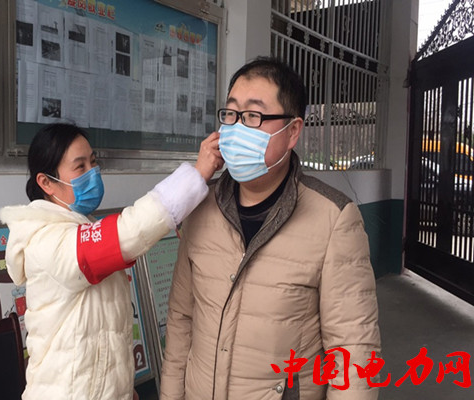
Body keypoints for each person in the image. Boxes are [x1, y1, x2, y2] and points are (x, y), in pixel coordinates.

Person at [160, 57, 381, 400]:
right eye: (231, 114)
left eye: (253, 116)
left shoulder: (334, 219)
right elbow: (181, 320)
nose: (237, 128)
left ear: (292, 131)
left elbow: (353, 350)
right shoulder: (200, 208)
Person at [0, 122, 223, 400]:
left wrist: (121, 388)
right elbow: (130, 232)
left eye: (93, 162)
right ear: (46, 182)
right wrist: (197, 174)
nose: (92, 172)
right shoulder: (46, 242)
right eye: (80, 167)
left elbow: (101, 331)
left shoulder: (80, 227)